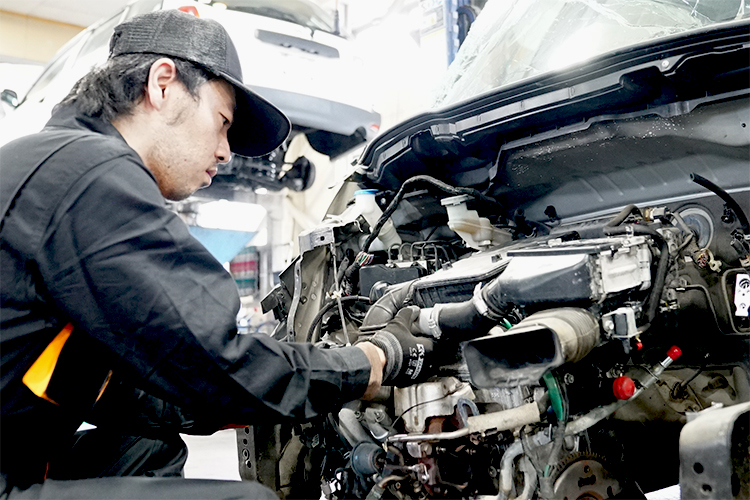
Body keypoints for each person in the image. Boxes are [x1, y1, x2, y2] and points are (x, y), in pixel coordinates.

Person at [0, 10, 434, 499]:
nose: (227, 152)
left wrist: (230, 404)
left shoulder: (53, 161)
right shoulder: (91, 176)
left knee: (149, 447)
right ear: (163, 84)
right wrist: (363, 365)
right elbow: (212, 357)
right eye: (223, 123)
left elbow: (123, 389)